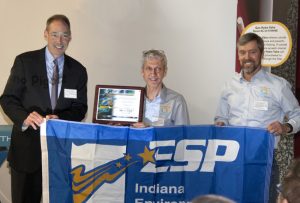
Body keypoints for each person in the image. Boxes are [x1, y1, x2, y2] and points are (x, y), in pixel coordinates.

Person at [0, 14, 88, 203]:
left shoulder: (79, 71)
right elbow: (7, 99)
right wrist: (24, 117)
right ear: (45, 34)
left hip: (61, 155)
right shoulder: (25, 62)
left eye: (64, 35)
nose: (59, 40)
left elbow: (80, 108)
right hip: (26, 154)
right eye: (54, 34)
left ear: (70, 38)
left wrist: (61, 119)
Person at [214, 32, 300, 203]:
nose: (247, 57)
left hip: (263, 159)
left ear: (261, 53)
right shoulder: (228, 86)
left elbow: (297, 115)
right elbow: (220, 117)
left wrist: (285, 127)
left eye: (252, 52)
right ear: (238, 54)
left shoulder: (278, 85)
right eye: (242, 52)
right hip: (232, 158)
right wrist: (220, 123)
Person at [132, 49, 190, 127]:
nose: (153, 73)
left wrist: (149, 130)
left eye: (158, 69)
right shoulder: (133, 99)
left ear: (165, 72)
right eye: (149, 68)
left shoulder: (177, 100)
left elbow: (183, 136)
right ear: (142, 72)